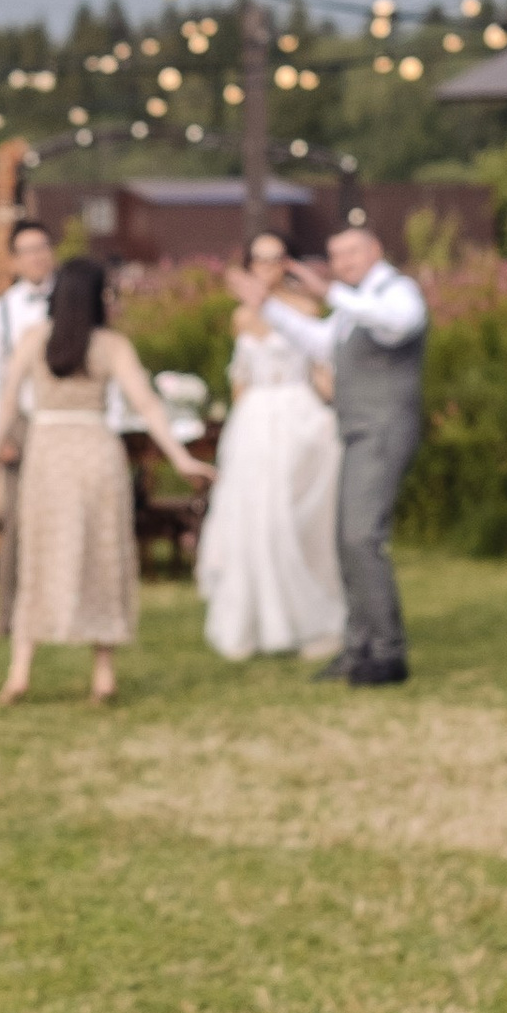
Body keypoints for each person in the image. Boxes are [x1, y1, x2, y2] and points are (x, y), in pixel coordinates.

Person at [0, 255, 204, 704]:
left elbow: (6, 405)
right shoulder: (111, 346)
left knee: (40, 554)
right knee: (102, 555)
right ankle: (102, 673)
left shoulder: (33, 340)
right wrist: (179, 457)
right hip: (97, 453)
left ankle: (20, 671)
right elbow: (147, 404)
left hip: (48, 454)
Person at [256, 221, 428, 685]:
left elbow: (401, 323)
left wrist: (331, 293)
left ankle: (387, 653)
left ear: (375, 249)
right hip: (356, 430)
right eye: (336, 257)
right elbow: (323, 343)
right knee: (346, 540)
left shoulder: (396, 291)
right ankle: (359, 647)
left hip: (383, 427)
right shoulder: (355, 303)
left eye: (352, 253)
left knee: (361, 538)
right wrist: (267, 307)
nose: (343, 264)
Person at [199, 234, 346, 662]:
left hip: (297, 415)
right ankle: (253, 622)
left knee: (295, 516)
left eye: (274, 259)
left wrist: (330, 413)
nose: (266, 268)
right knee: (252, 516)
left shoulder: (304, 310)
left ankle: (313, 620)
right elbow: (241, 378)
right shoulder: (241, 317)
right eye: (257, 260)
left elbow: (322, 373)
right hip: (255, 423)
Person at [0, 218, 54, 637]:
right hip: (20, 422)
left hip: (63, 420)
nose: (37, 256)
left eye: (42, 247)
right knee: (18, 524)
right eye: (28, 250)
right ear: (15, 260)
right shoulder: (0, 309)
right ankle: (7, 615)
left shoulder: (73, 298)